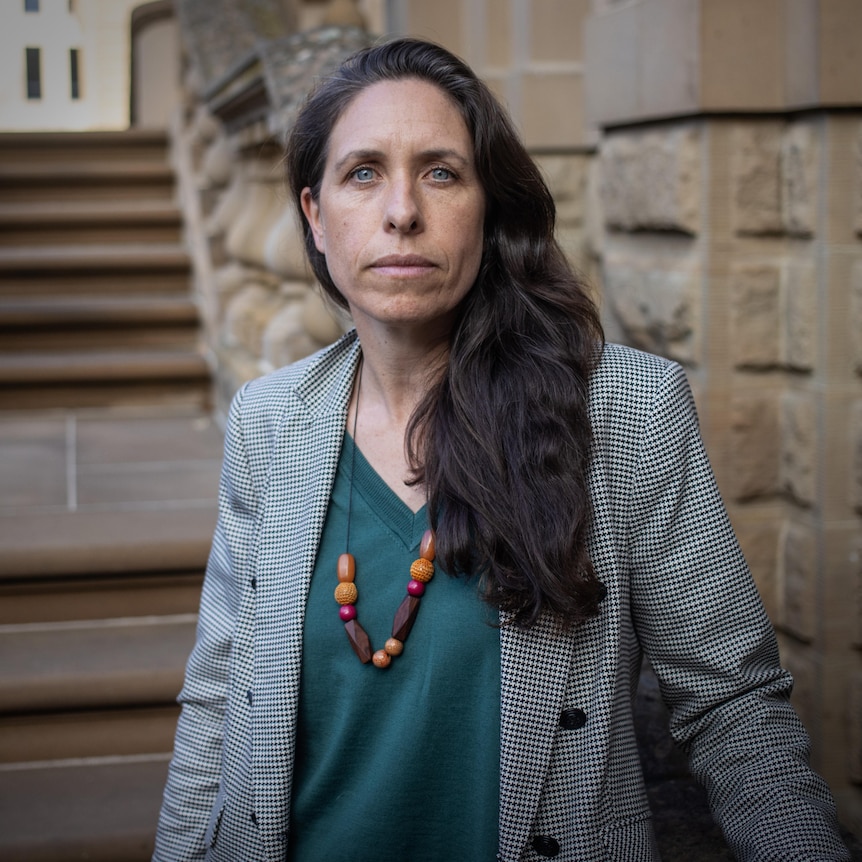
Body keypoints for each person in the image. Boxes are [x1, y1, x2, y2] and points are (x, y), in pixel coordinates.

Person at [153, 37, 851, 862]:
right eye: (363, 172)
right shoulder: (270, 421)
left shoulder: (625, 414)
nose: (401, 210)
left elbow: (735, 708)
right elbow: (219, 699)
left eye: (441, 172)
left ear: (488, 208)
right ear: (315, 214)